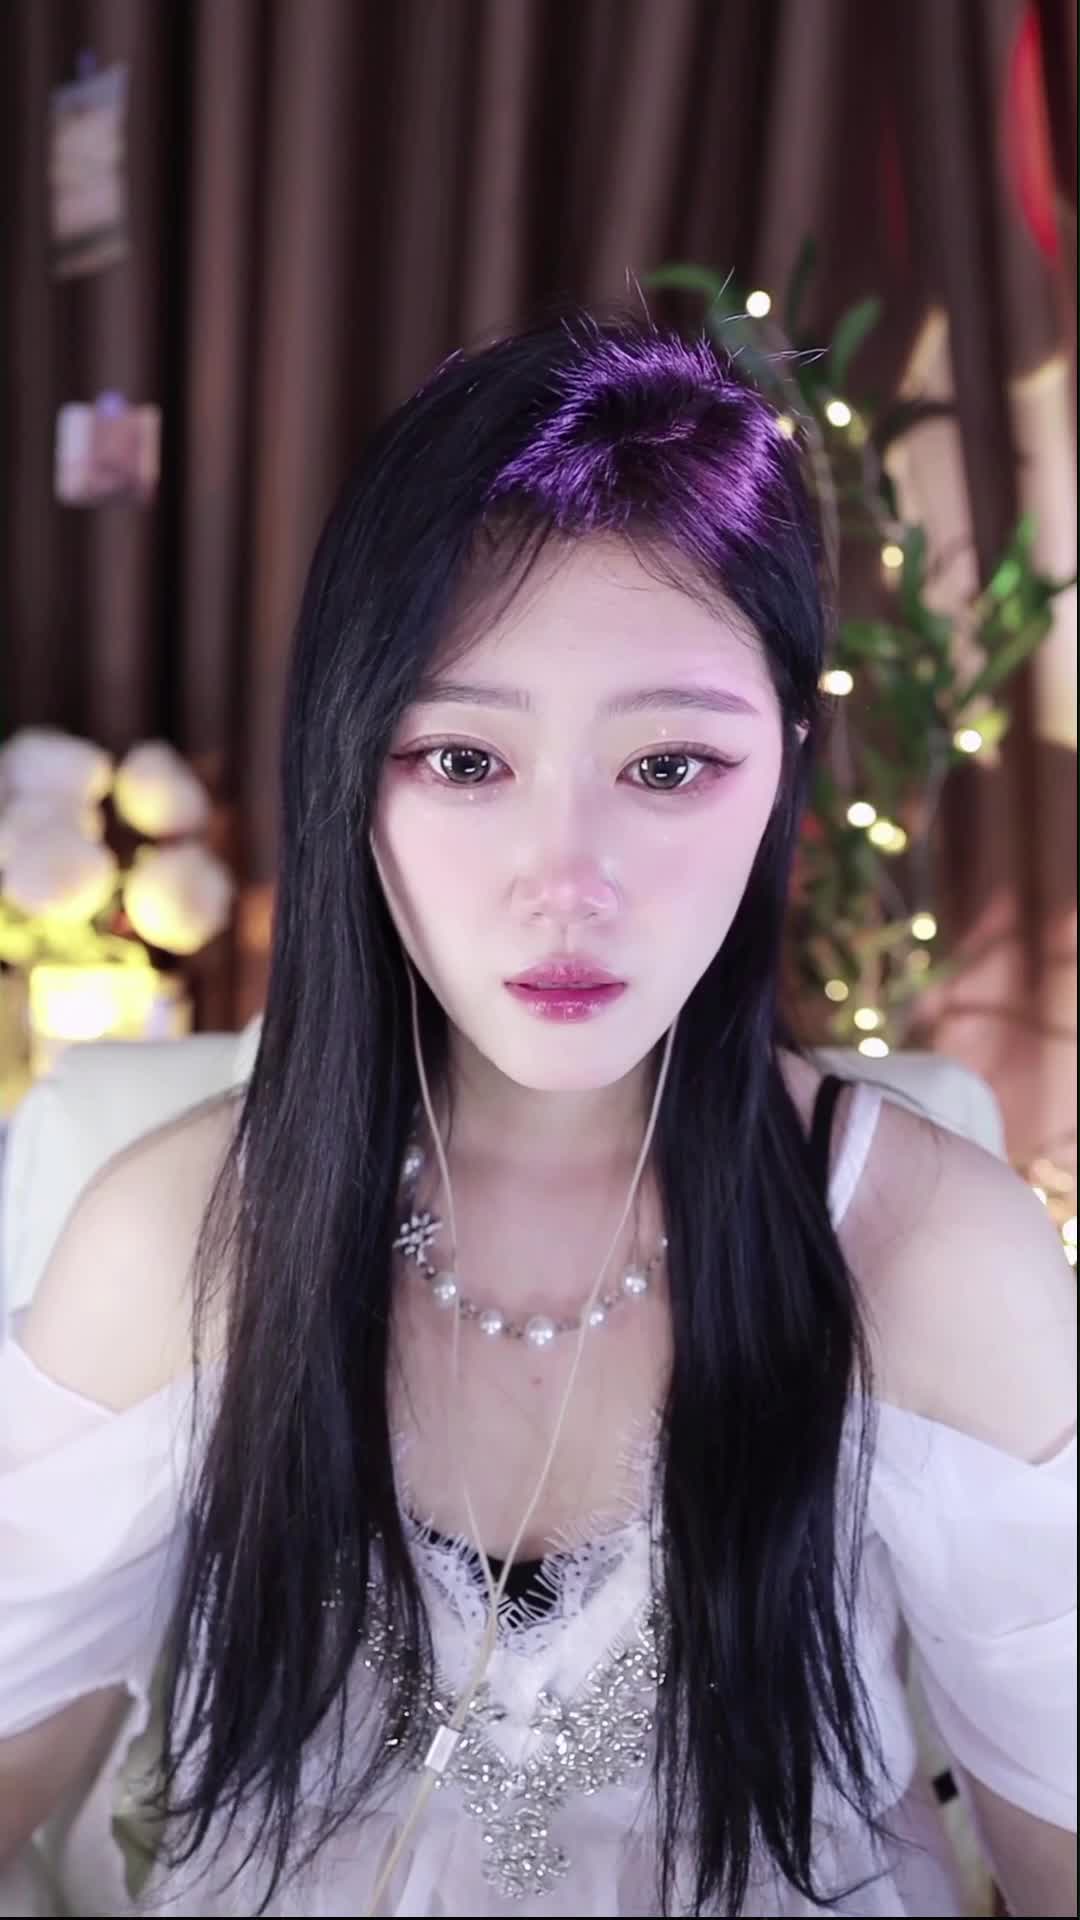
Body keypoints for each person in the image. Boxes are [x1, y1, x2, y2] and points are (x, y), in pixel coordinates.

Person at [0, 311, 1075, 1919]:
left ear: (785, 763)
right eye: (462, 758)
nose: (566, 883)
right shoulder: (182, 1237)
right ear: (350, 762)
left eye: (668, 768)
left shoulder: (933, 1255)